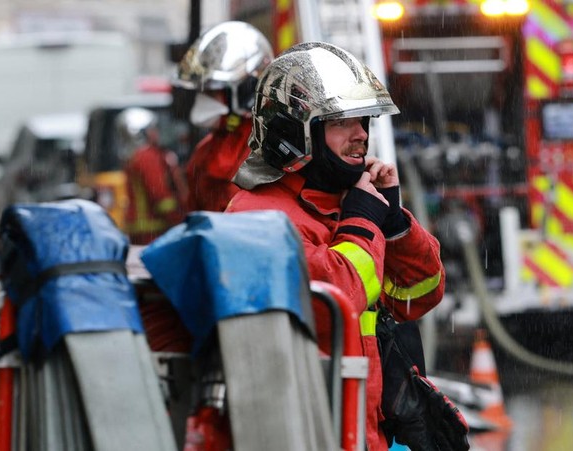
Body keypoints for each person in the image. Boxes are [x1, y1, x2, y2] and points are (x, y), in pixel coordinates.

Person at [226, 41, 446, 451]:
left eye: (364, 121)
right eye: (342, 122)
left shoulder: (342, 203)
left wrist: (394, 223)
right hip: (308, 433)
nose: (361, 135)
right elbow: (335, 307)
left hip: (363, 431)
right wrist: (363, 222)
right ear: (295, 131)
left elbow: (420, 295)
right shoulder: (258, 217)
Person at [173, 21, 274, 212]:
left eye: (212, 92)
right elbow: (195, 217)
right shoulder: (203, 153)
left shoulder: (271, 151)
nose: (202, 100)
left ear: (246, 90)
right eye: (202, 92)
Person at [118, 107, 187, 244]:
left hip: (142, 229)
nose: (156, 132)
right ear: (141, 132)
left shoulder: (134, 156)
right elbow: (160, 195)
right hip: (154, 230)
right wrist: (179, 221)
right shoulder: (147, 157)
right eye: (152, 128)